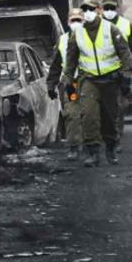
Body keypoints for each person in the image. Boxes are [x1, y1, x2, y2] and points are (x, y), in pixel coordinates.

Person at [62, 0, 132, 167]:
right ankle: (93, 152)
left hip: (110, 79)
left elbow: (125, 53)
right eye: (85, 9)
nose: (88, 13)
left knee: (110, 117)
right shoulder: (77, 34)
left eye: (91, 9)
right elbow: (71, 59)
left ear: (99, 10)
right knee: (88, 114)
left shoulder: (111, 29)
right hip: (89, 79)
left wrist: (125, 76)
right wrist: (67, 80)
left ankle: (110, 146)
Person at [101, 0, 132, 151]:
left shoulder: (126, 25)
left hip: (120, 71)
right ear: (102, 8)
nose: (109, 10)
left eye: (112, 7)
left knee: (119, 105)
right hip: (99, 72)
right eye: (106, 7)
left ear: (117, 8)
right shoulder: (95, 25)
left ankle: (116, 139)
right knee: (101, 106)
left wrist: (127, 59)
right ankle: (105, 138)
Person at [47, 9, 84, 160]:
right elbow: (56, 64)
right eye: (73, 20)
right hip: (70, 84)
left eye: (78, 20)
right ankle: (74, 147)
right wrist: (51, 84)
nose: (76, 23)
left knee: (90, 114)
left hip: (89, 82)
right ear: (68, 22)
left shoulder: (91, 37)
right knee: (71, 114)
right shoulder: (62, 40)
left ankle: (93, 145)